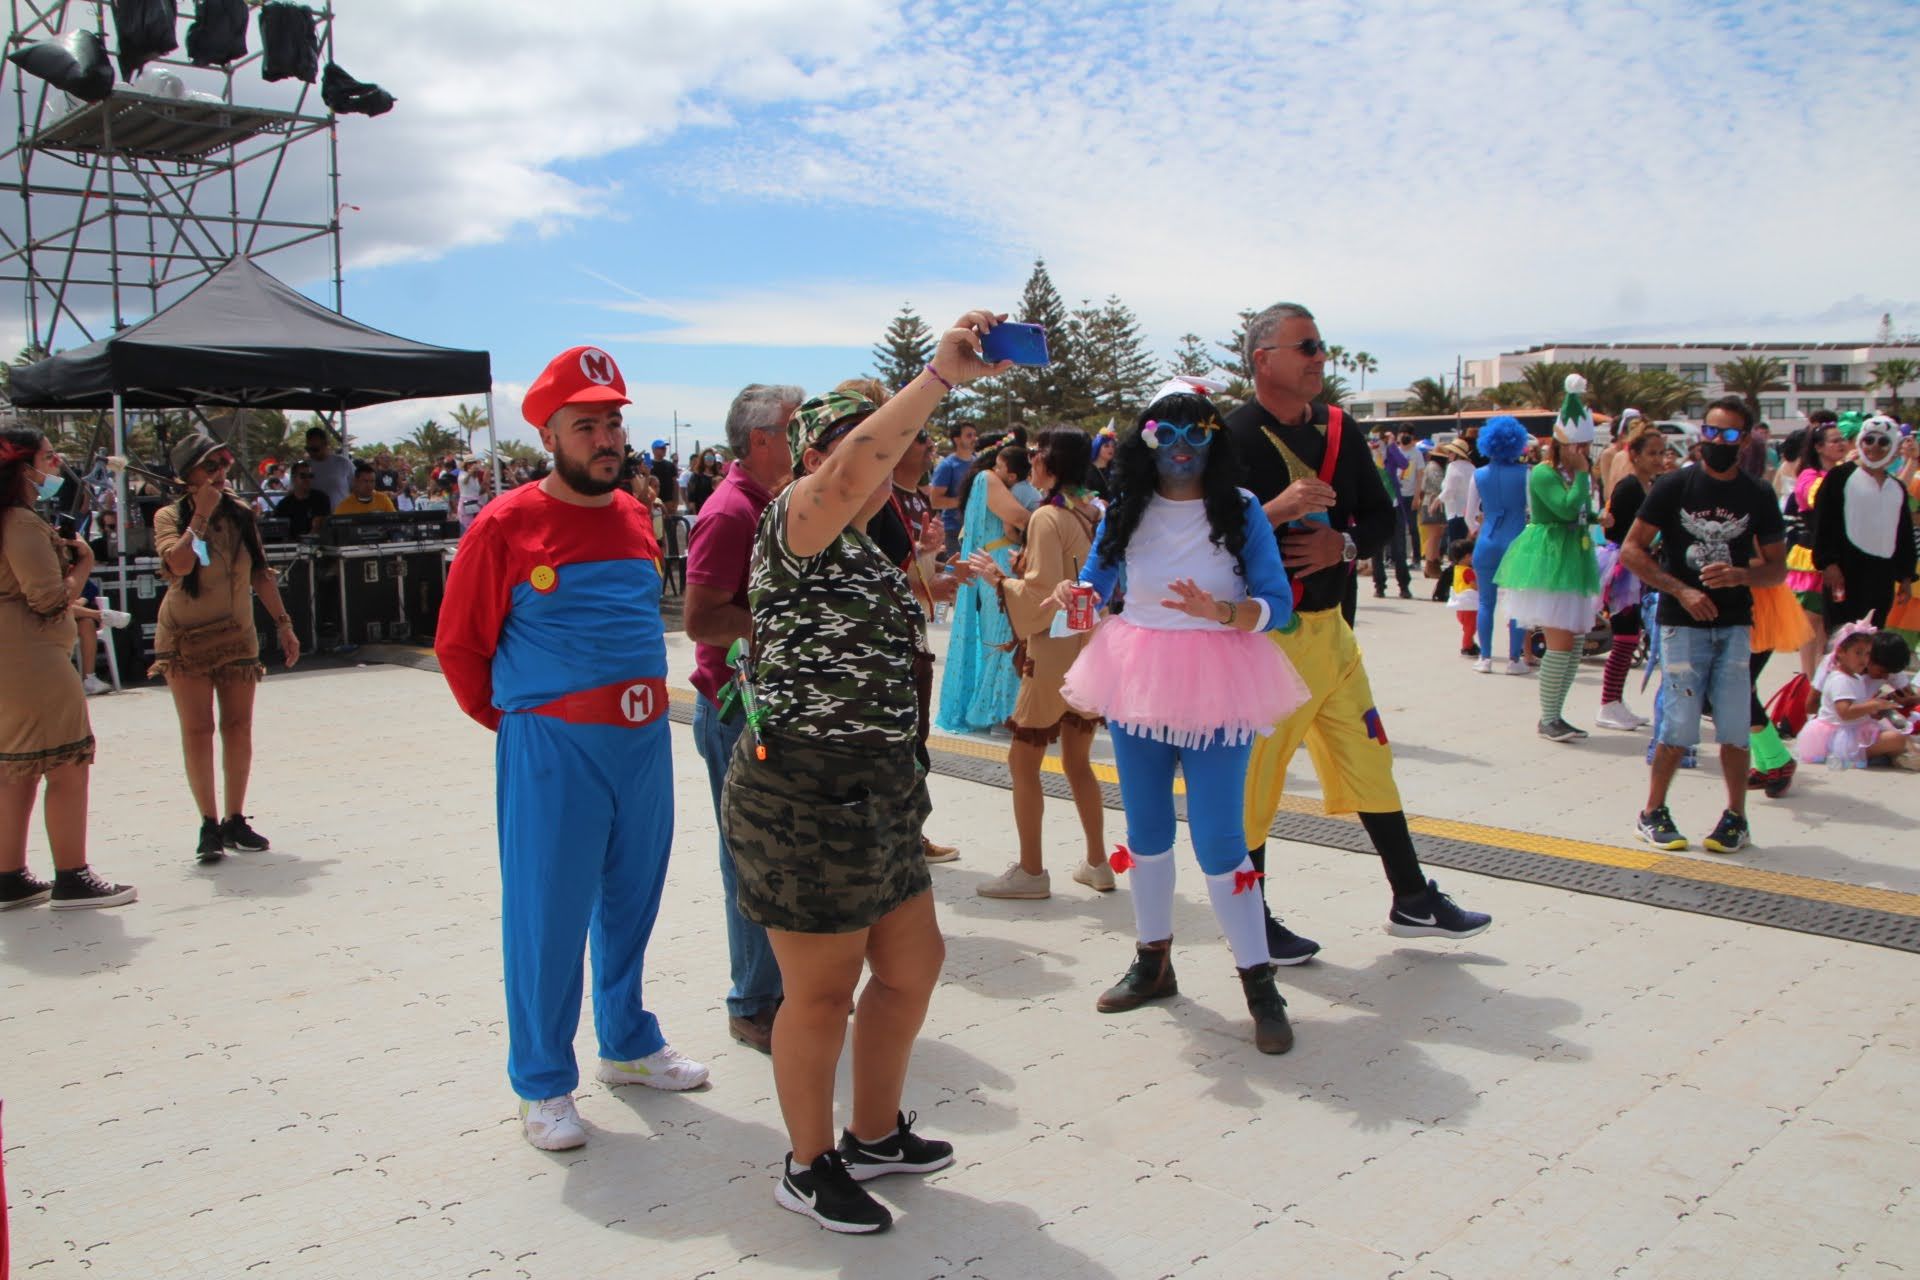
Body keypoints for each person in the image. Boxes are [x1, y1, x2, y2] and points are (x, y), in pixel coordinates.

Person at [720, 316, 1009, 1234]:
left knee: (914, 962)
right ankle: (808, 1166)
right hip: (803, 792)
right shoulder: (796, 517)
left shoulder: (870, 543)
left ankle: (876, 1132)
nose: (887, 461)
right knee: (819, 991)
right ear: (822, 453)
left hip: (880, 787)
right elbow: (850, 471)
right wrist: (939, 376)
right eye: (865, 445)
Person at [437, 346, 707, 1153]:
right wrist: (529, 725)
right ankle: (542, 1084)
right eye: (585, 424)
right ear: (549, 436)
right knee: (547, 915)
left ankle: (625, 1042)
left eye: (614, 421)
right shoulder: (505, 523)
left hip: (643, 741)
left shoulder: (632, 516)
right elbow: (460, 647)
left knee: (631, 899)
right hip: (554, 745)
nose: (606, 437)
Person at [1226, 302, 1492, 960]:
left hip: (1335, 634)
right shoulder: (1226, 439)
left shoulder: (1340, 431)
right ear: (1264, 360)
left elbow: (1377, 518)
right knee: (1255, 785)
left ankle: (1411, 896)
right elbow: (1200, 540)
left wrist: (1341, 546)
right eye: (1305, 346)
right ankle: (1247, 916)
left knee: (1372, 759)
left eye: (1322, 346)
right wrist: (1273, 514)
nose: (1319, 358)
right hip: (1265, 641)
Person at [1054, 381, 1308, 1052]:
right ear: (1146, 440)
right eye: (1166, 434)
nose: (1182, 448)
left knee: (1222, 842)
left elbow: (1278, 602)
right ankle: (1152, 960)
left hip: (1221, 678)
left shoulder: (1243, 509)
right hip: (1137, 676)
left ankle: (1259, 983)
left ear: (1215, 438)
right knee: (1146, 832)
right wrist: (1070, 596)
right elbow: (1093, 597)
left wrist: (1223, 613)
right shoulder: (1125, 511)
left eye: (1197, 432)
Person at [683, 382, 802, 1055]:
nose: (803, 437)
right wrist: (784, 628)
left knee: (772, 856)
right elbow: (700, 617)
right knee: (748, 861)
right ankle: (753, 1001)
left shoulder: (775, 504)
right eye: (792, 427)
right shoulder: (731, 512)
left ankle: (778, 990)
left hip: (764, 705)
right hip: (735, 709)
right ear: (761, 439)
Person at [1621, 397, 1786, 854]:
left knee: (1734, 726)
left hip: (1735, 624)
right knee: (1677, 724)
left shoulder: (1757, 494)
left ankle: (1736, 817)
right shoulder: (1675, 486)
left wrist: (1741, 575)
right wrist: (1681, 590)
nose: (1716, 441)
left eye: (1728, 434)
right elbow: (1632, 550)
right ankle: (1653, 811)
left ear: (1746, 438)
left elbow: (1777, 568)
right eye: (1710, 432)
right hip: (1681, 624)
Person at [966, 427, 1110, 900]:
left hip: (1052, 651)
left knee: (1023, 759)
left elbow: (1041, 590)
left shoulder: (1048, 518)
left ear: (1053, 464)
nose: (1031, 461)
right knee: (1077, 762)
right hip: (1090, 648)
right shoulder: (1093, 510)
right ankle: (1097, 861)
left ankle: (1031, 871)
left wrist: (997, 579)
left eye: (1037, 455)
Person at [0, 427, 136, 910]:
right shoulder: (19, 522)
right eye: (47, 458)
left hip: (12, 656)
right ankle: (73, 875)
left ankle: (9, 875)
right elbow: (46, 598)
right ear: (23, 467)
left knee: (18, 767)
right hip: (33, 658)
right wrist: (83, 564)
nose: (55, 467)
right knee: (66, 762)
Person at [151, 430, 302, 862]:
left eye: (223, 465)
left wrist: (284, 624)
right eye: (209, 467)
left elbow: (260, 573)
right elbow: (178, 565)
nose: (220, 474)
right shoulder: (169, 516)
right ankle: (209, 823)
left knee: (238, 728)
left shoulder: (240, 515)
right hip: (186, 636)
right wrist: (198, 516)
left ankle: (236, 818)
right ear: (187, 476)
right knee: (198, 731)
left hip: (236, 634)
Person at [856, 389, 964, 865]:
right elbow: (873, 576)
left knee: (913, 737)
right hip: (880, 642)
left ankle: (910, 832)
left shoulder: (910, 497)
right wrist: (929, 584)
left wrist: (932, 564)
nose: (928, 449)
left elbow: (905, 571)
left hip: (907, 636)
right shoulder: (875, 498)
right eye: (920, 439)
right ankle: (900, 838)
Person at [1492, 376, 1603, 742]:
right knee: (1559, 643)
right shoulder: (1543, 473)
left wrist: (1599, 516)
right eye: (1582, 445)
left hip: (1573, 553)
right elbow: (1566, 508)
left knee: (1572, 646)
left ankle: (1557, 713)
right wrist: (1585, 478)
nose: (1587, 450)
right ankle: (1548, 717)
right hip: (1552, 557)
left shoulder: (1572, 473)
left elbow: (1582, 512)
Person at [933, 440, 1029, 735]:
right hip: (997, 563)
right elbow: (1019, 518)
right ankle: (998, 713)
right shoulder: (988, 479)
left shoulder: (980, 482)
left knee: (999, 635)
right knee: (1004, 635)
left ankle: (997, 710)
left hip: (993, 561)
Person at [1813, 415, 1916, 633]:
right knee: (1842, 635)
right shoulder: (1839, 477)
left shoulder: (1896, 487)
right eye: (1869, 440)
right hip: (1845, 570)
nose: (1874, 447)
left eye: (1883, 442)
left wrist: (1905, 576)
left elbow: (1903, 533)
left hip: (1882, 574)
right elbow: (1824, 521)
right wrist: (1828, 563)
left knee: (1873, 634)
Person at [1594, 421, 1667, 729]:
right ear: (1634, 455)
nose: (1659, 459)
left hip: (1639, 566)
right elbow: (1613, 529)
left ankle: (1614, 702)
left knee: (1630, 637)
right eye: (1652, 453)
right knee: (1625, 637)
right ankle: (1609, 704)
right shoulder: (1630, 486)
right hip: (1624, 568)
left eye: (1662, 453)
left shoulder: (1649, 485)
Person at [1795, 623, 1912, 768]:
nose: (1863, 659)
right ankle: (1864, 756)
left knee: (1898, 733)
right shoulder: (1840, 678)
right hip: (1840, 733)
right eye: (1858, 653)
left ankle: (1884, 755)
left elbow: (1907, 694)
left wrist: (1875, 709)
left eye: (1866, 654)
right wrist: (1873, 705)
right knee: (1897, 739)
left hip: (1855, 726)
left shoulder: (1853, 677)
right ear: (1841, 652)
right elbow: (1843, 712)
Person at [1469, 415, 1533, 676]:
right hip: (1516, 541)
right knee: (1516, 602)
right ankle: (1513, 660)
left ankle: (1485, 658)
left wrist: (1477, 529)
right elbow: (1533, 510)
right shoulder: (1525, 473)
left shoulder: (1479, 474)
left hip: (1487, 540)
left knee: (1485, 602)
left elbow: (1469, 515)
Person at [1786, 413, 1848, 681]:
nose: (1841, 444)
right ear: (1818, 447)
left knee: (1829, 623)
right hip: (1811, 554)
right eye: (1834, 441)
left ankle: (1825, 679)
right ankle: (1810, 680)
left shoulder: (1844, 472)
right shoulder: (1809, 475)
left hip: (1839, 552)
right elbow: (1817, 500)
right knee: (1812, 622)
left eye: (1843, 439)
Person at [1369, 430, 1412, 599]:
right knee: (1376, 551)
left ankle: (1404, 586)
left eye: (1379, 440)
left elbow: (1404, 464)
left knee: (1399, 550)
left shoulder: (1390, 457)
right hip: (1374, 509)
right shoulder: (1367, 458)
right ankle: (1379, 585)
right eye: (1373, 439)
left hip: (1393, 508)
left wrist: (1393, 446)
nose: (1376, 443)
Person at [929, 422, 977, 557]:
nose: (974, 438)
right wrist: (967, 500)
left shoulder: (978, 462)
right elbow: (935, 501)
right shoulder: (947, 466)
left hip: (975, 530)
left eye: (974, 435)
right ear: (956, 439)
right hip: (954, 531)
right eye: (969, 435)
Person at [273, 462, 332, 538]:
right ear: (294, 478)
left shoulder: (321, 498)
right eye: (303, 476)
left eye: (310, 476)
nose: (307, 479)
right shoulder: (284, 505)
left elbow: (322, 526)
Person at [301, 426, 354, 508]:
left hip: (341, 516)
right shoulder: (303, 467)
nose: (311, 453)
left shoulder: (343, 463)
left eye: (315, 449)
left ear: (325, 444)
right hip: (314, 517)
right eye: (308, 449)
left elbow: (356, 489)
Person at [1446, 536, 1480, 657]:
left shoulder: (1457, 569)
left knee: (1467, 627)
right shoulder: (1468, 571)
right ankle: (1467, 646)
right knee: (1470, 628)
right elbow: (1474, 586)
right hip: (1469, 605)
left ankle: (1470, 643)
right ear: (1467, 556)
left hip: (1460, 604)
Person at [334, 461, 398, 516]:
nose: (369, 485)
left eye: (372, 481)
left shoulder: (383, 499)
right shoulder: (344, 506)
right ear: (356, 481)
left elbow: (395, 521)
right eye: (365, 481)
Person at [647, 440, 680, 507]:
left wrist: (676, 501)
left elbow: (675, 484)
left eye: (665, 448)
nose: (664, 450)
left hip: (668, 501)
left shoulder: (670, 465)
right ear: (654, 450)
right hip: (652, 501)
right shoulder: (648, 464)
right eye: (661, 448)